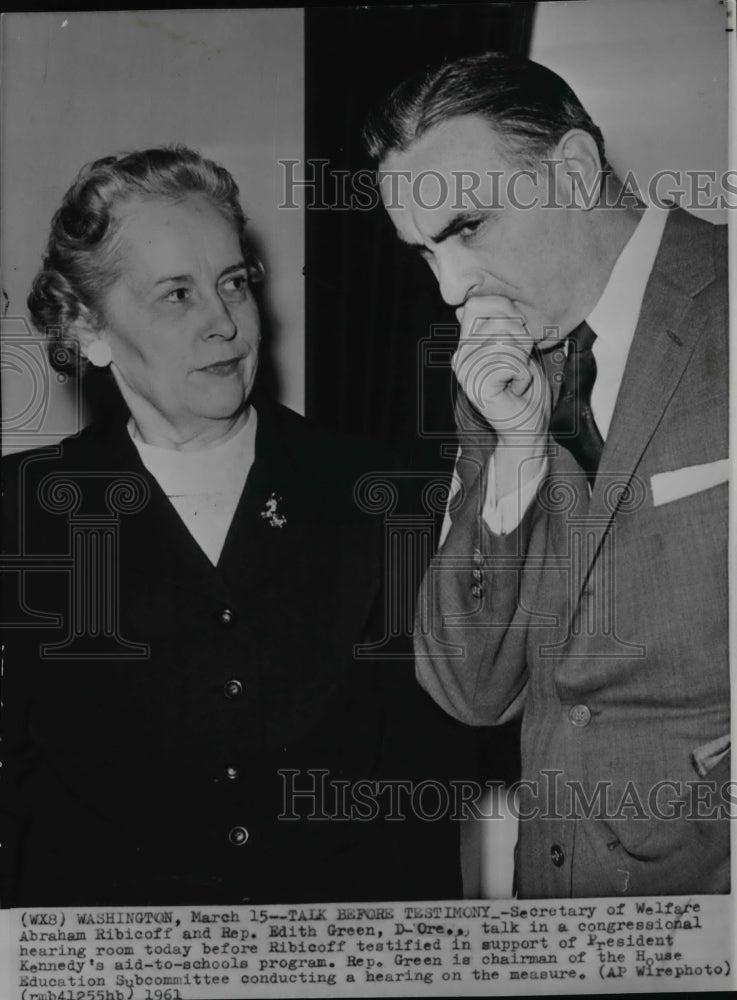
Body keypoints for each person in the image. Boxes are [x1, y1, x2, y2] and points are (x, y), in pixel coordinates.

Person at [0, 145, 462, 905]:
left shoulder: (379, 492)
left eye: (234, 284)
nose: (224, 323)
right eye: (175, 295)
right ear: (88, 327)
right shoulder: (23, 515)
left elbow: (422, 784)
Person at [363, 53, 729, 897]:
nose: (452, 288)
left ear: (569, 170)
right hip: (558, 916)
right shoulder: (495, 380)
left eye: (467, 228)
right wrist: (514, 454)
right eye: (423, 253)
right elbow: (467, 689)